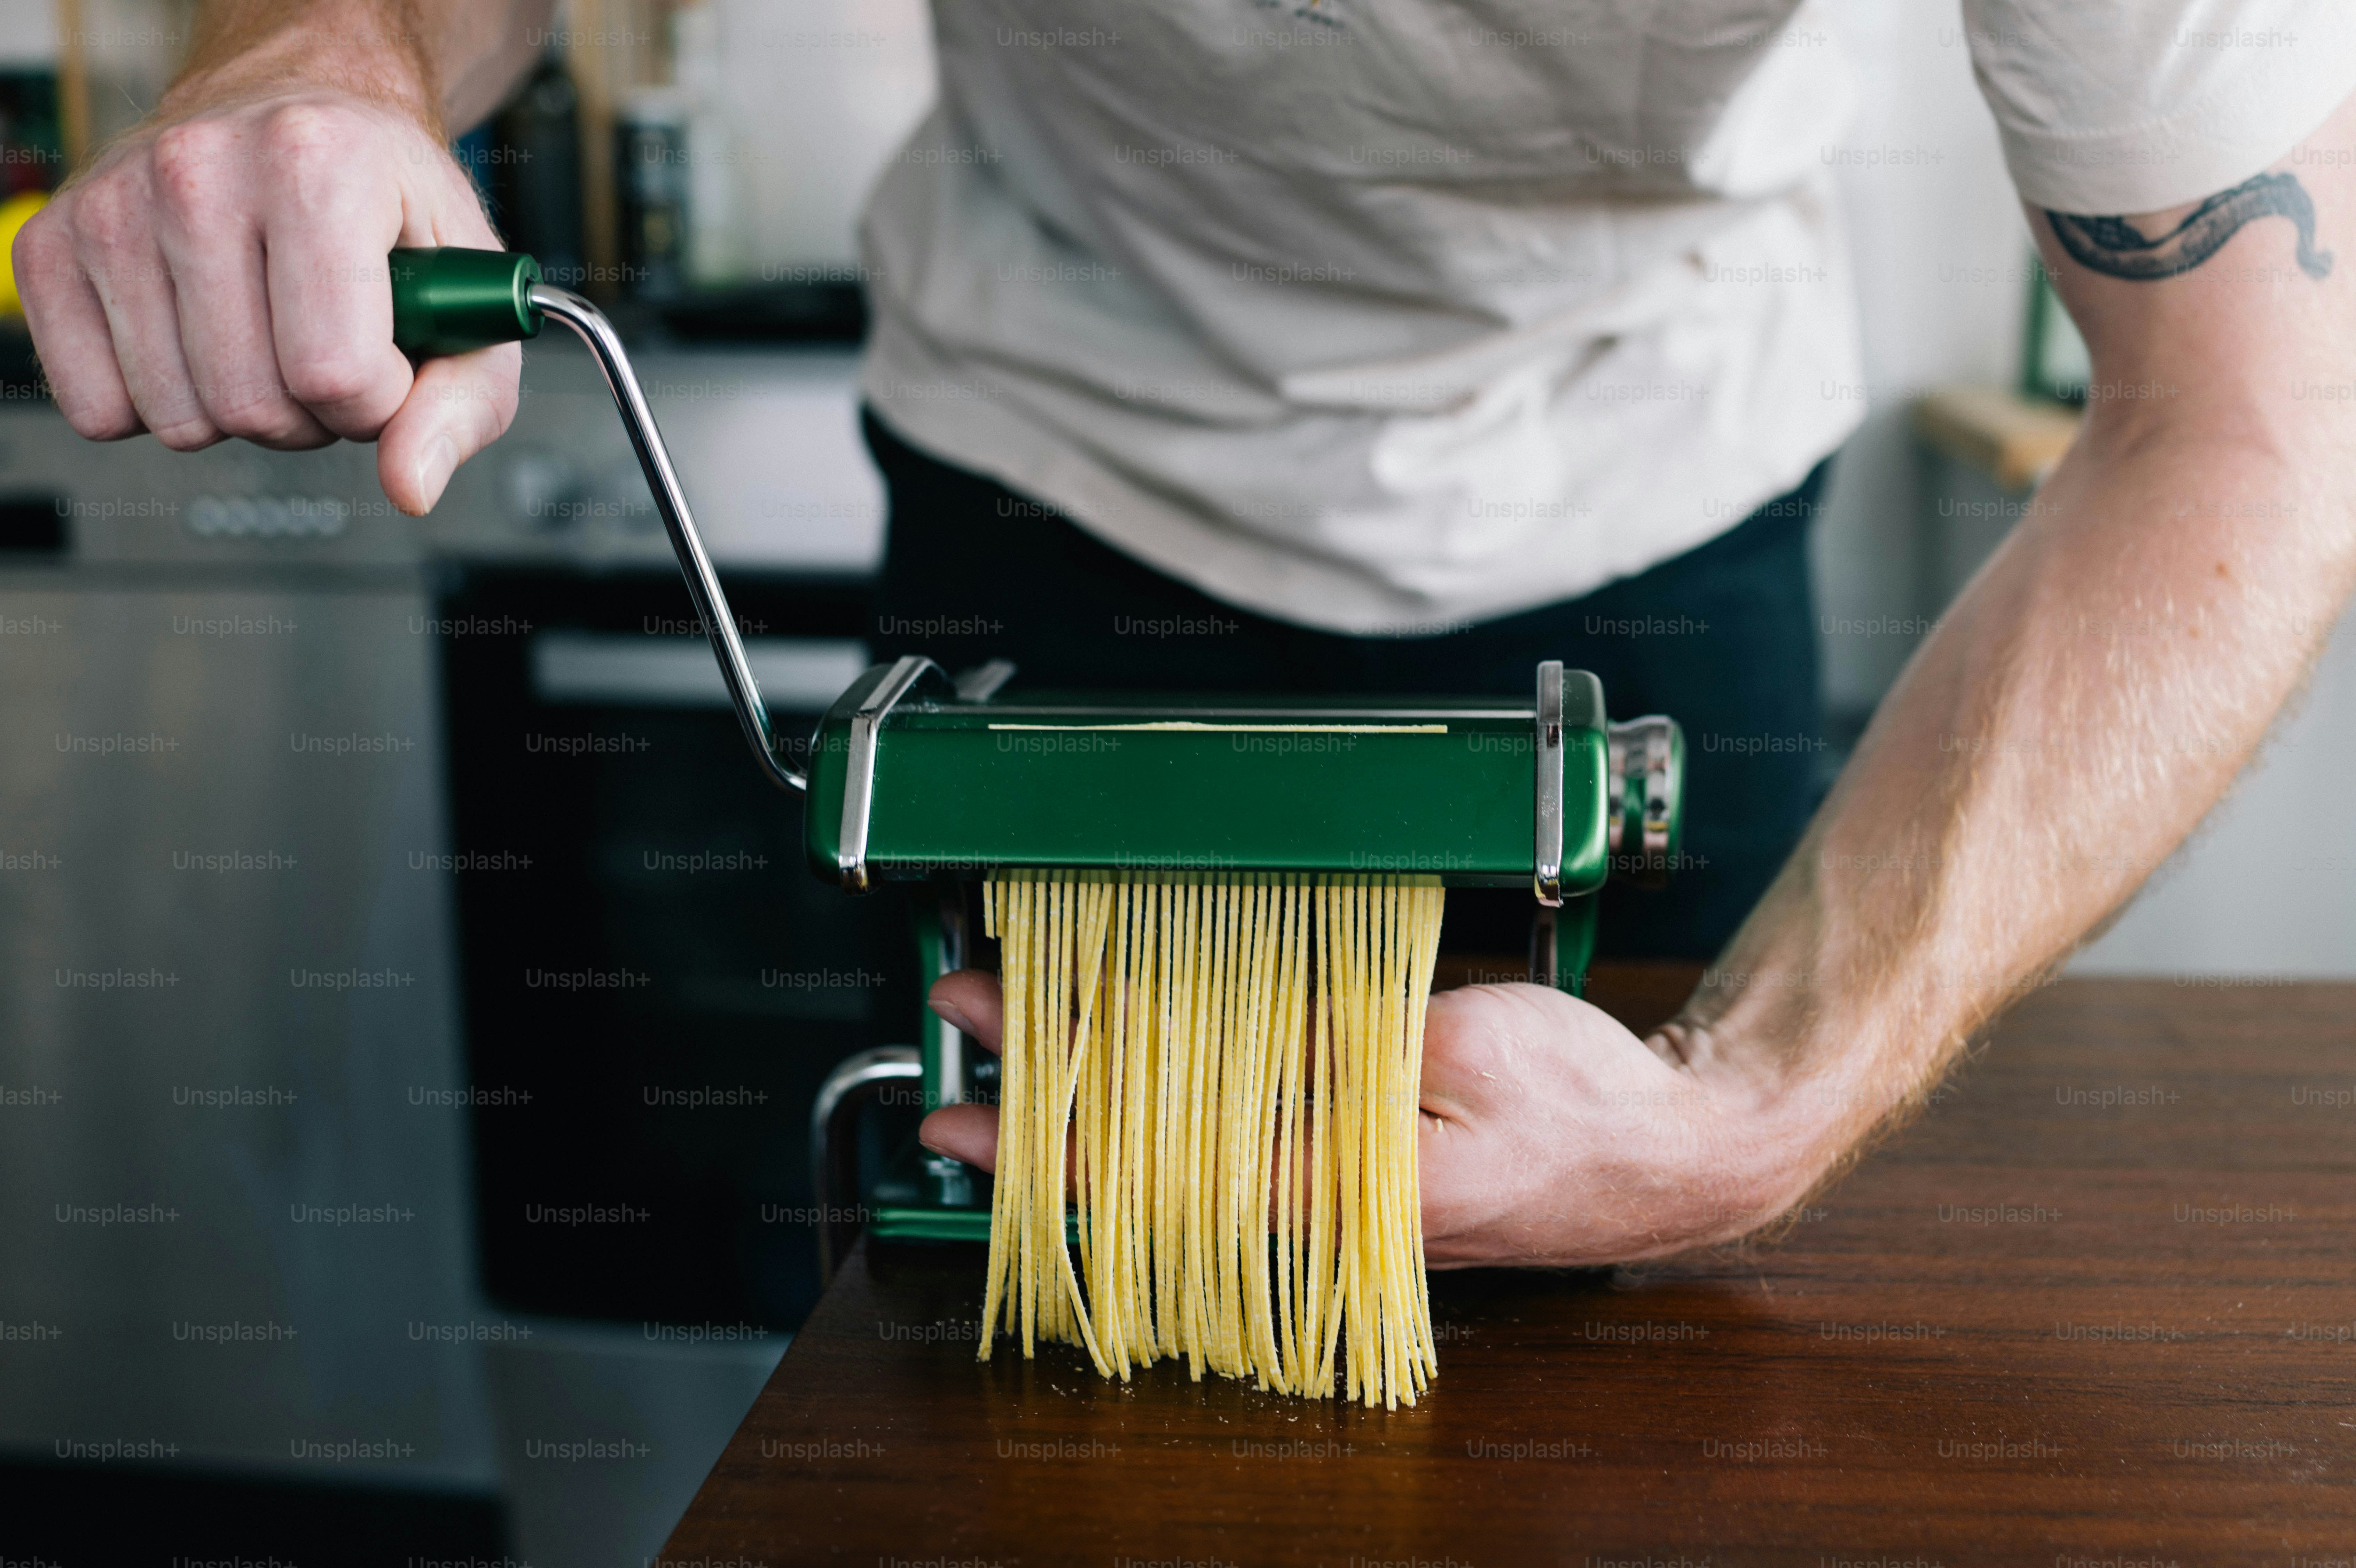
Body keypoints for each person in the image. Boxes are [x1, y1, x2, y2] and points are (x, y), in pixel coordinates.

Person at [20, 0, 2356, 1269]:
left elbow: (2253, 420)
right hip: (1052, 517)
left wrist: (1763, 1104)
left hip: (1642, 522)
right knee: (1020, 1328)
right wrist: (314, 54)